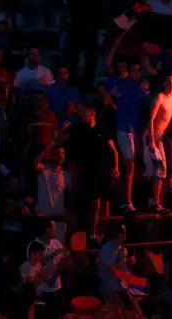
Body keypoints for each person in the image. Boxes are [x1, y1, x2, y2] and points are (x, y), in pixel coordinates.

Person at [57, 103, 119, 247]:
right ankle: (92, 233)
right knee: (93, 203)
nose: (82, 114)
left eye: (84, 111)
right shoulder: (80, 128)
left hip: (102, 171)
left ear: (92, 113)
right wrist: (63, 129)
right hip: (87, 171)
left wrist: (116, 167)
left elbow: (113, 150)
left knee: (105, 203)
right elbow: (60, 139)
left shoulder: (102, 130)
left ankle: (103, 233)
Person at [102, 61, 149, 214]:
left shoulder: (141, 87)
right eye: (133, 69)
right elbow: (103, 86)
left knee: (132, 165)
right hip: (123, 128)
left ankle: (127, 201)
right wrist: (112, 104)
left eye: (138, 70)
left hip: (133, 130)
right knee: (129, 165)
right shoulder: (122, 84)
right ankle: (126, 202)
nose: (136, 72)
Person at [148, 74, 172, 213]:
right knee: (160, 168)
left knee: (165, 171)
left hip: (164, 136)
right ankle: (155, 203)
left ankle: (158, 201)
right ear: (165, 83)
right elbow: (151, 118)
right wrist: (152, 140)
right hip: (156, 135)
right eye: (169, 81)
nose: (171, 83)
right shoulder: (160, 97)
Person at [26, 221, 67, 319]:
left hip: (57, 289)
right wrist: (53, 254)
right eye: (54, 227)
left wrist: (58, 270)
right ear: (47, 230)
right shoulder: (34, 245)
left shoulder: (56, 243)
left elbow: (63, 261)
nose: (56, 230)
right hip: (42, 291)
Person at [33, 146, 72, 242]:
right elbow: (34, 164)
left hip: (59, 219)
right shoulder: (44, 169)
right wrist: (48, 145)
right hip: (44, 219)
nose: (60, 156)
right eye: (57, 153)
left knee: (58, 251)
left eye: (62, 153)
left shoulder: (66, 174)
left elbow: (69, 196)